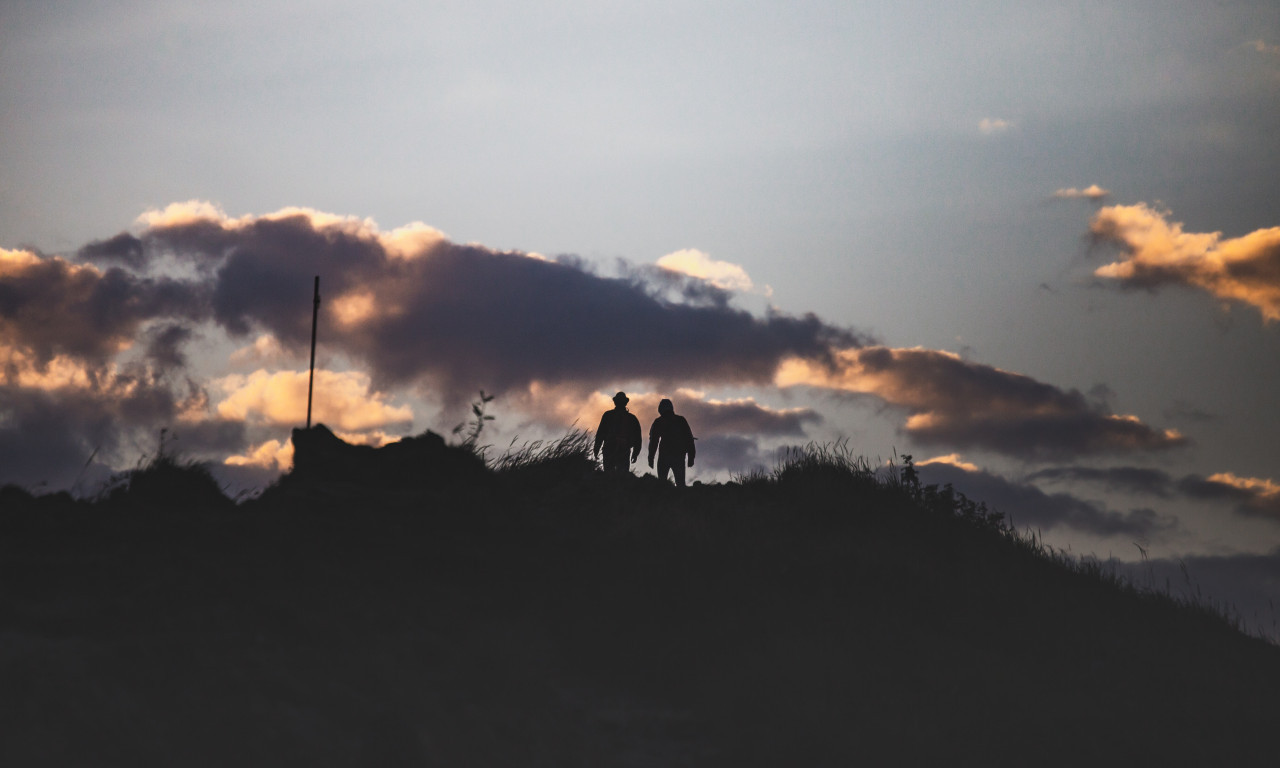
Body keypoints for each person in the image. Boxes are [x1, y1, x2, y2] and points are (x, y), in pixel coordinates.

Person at [647, 398, 695, 487]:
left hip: (664, 456)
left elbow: (654, 441)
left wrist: (651, 457)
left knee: (662, 484)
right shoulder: (681, 420)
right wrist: (691, 457)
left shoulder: (659, 422)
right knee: (680, 484)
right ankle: (680, 499)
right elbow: (689, 439)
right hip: (678, 456)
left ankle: (665, 499)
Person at [594, 391, 642, 473]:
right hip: (624, 450)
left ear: (615, 402)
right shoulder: (632, 418)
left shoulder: (608, 415)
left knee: (609, 476)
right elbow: (638, 438)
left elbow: (600, 433)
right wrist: (635, 453)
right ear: (626, 403)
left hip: (609, 449)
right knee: (622, 477)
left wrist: (596, 449)